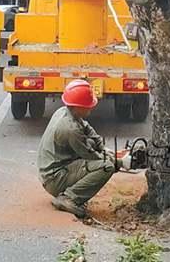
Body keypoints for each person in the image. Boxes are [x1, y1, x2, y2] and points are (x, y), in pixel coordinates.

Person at [37, 80, 131, 218]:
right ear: (78, 107)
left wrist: (103, 147)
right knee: (106, 167)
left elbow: (87, 129)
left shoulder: (64, 111)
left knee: (94, 146)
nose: (91, 108)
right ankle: (69, 198)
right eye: (88, 106)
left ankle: (71, 193)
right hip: (55, 179)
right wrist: (121, 162)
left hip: (54, 171)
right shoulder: (70, 129)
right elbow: (90, 156)